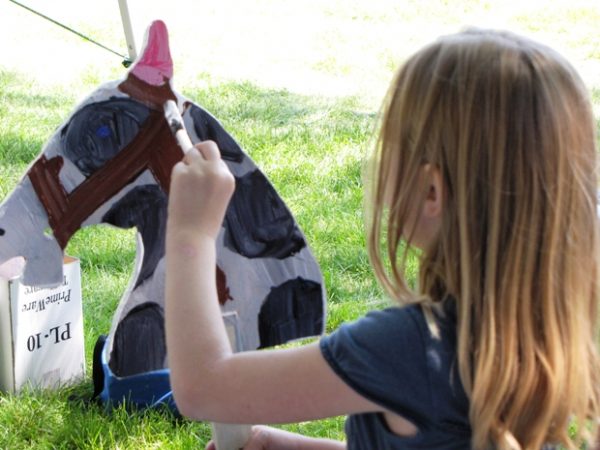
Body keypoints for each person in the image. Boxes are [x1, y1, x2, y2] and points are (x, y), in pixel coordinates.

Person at [164, 28, 600, 449]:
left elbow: (204, 387)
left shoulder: (409, 347)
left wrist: (192, 233)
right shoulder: (555, 333)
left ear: (432, 191)